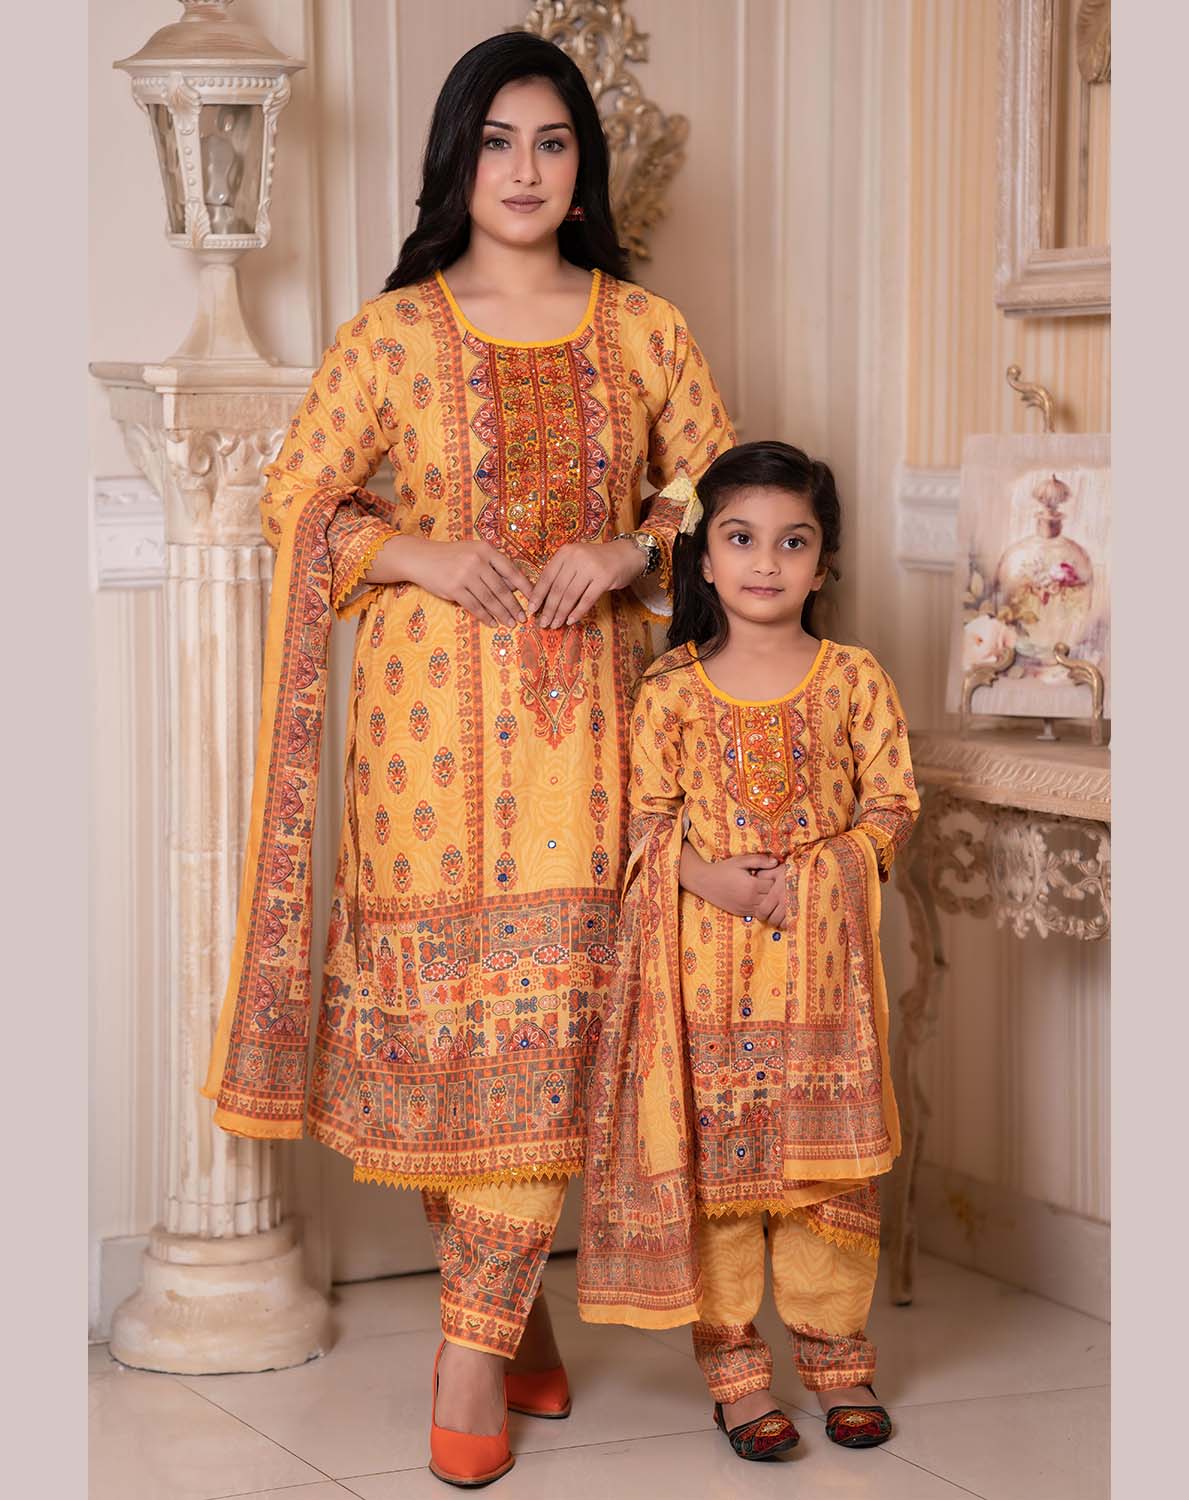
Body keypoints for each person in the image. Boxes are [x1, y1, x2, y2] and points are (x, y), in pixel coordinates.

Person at [201, 30, 734, 1489]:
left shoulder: (644, 330)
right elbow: (297, 501)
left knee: (553, 1029)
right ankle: (512, 1316)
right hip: (423, 751)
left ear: (585, 167)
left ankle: (468, 1352)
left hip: (592, 743)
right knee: (451, 1041)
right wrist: (417, 551)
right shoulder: (392, 335)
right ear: (457, 160)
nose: (525, 169)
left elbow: (719, 487)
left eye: (552, 142)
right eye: (497, 142)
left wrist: (630, 546)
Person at [577, 441, 919, 1461]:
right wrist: (708, 878)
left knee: (827, 1178)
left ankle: (838, 1360)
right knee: (721, 1182)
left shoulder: (854, 679)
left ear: (824, 562)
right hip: (707, 983)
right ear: (703, 558)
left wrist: (825, 871)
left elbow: (893, 805)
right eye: (740, 538)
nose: (766, 561)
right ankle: (735, 1376)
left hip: (822, 982)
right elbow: (643, 824)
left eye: (792, 541)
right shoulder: (671, 688)